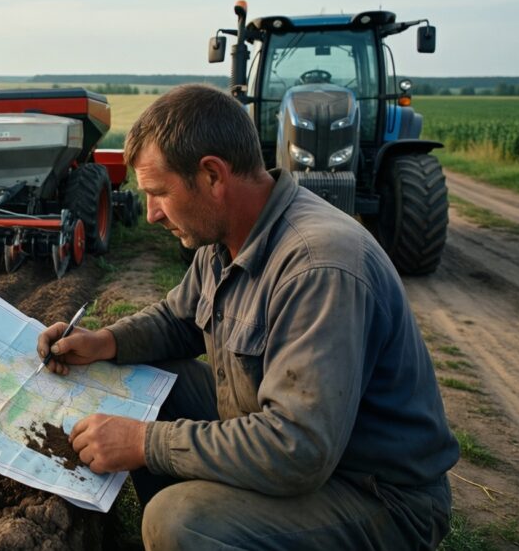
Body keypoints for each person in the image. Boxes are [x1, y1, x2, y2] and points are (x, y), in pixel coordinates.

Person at [37, 84, 459, 550]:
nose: (152, 214)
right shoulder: (225, 237)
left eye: (159, 193)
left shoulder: (318, 266)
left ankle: (207, 528)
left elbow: (299, 447)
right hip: (294, 442)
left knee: (177, 522)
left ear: (213, 176)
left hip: (373, 492)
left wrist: (146, 442)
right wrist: (104, 342)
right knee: (145, 376)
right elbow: (179, 320)